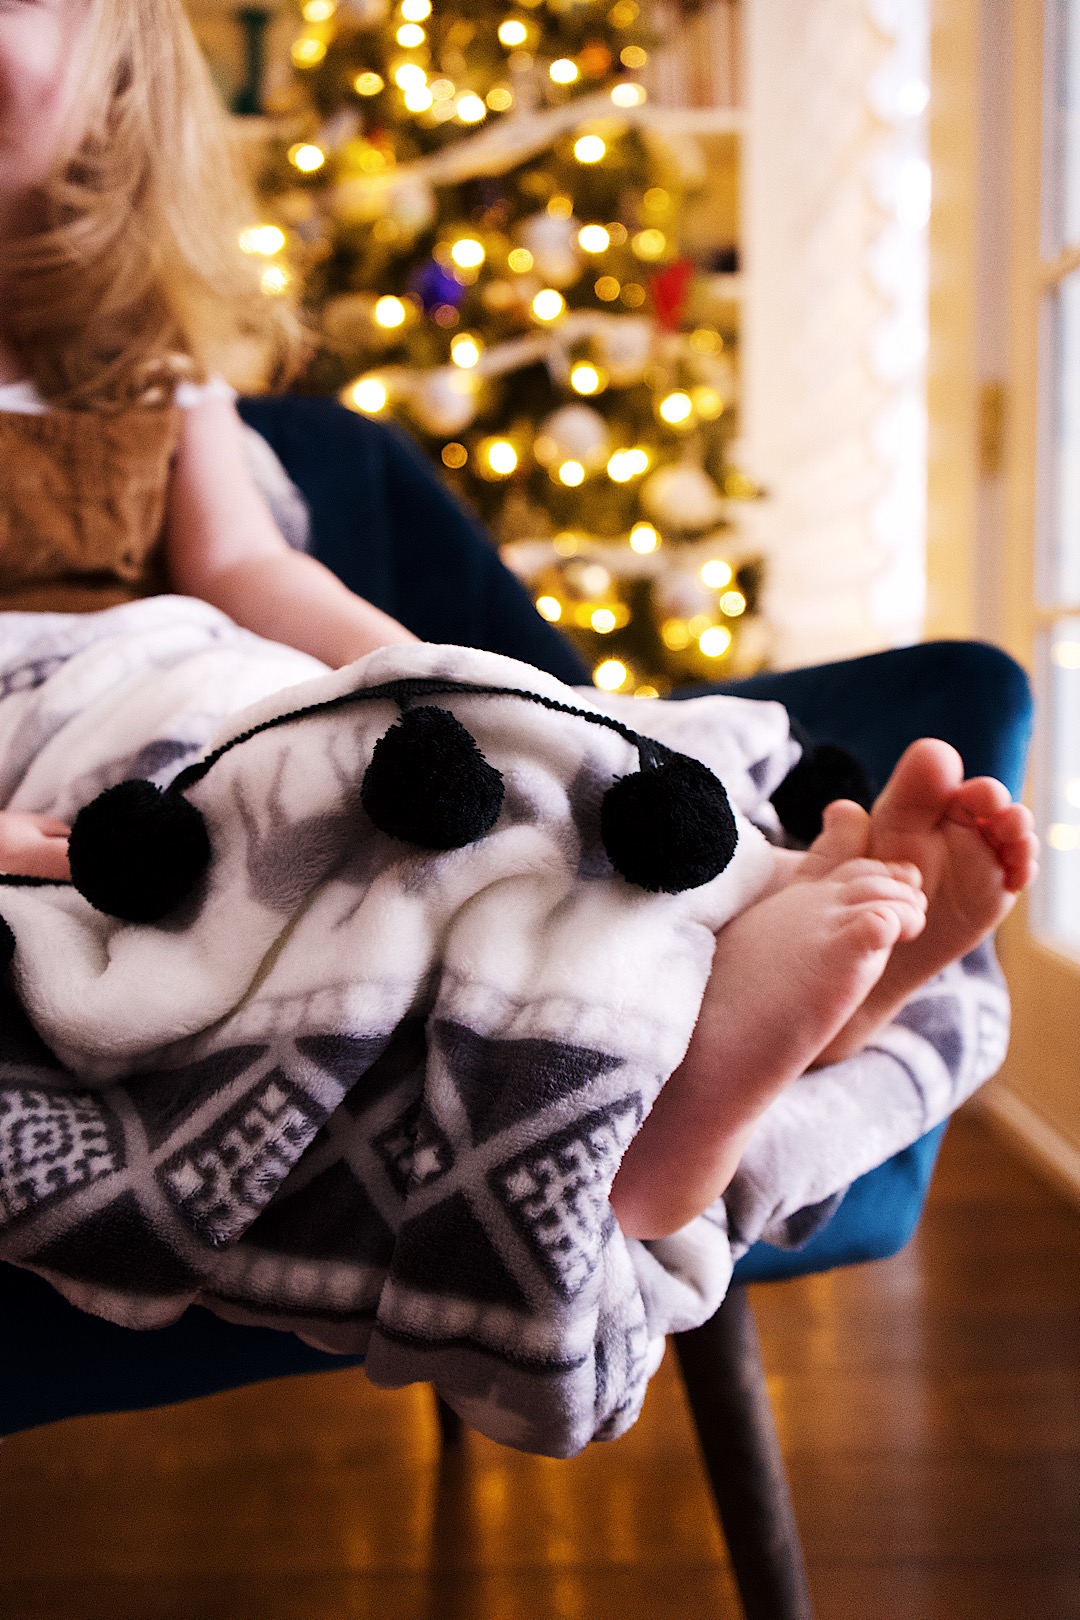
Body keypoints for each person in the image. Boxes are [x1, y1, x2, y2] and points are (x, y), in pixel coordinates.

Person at [0, 0, 1038, 1249]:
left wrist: (426, 675)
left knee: (524, 776)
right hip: (61, 742)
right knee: (304, 840)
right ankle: (659, 1116)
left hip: (200, 673)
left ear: (117, 84)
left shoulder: (147, 360)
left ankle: (752, 947)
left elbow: (240, 562)